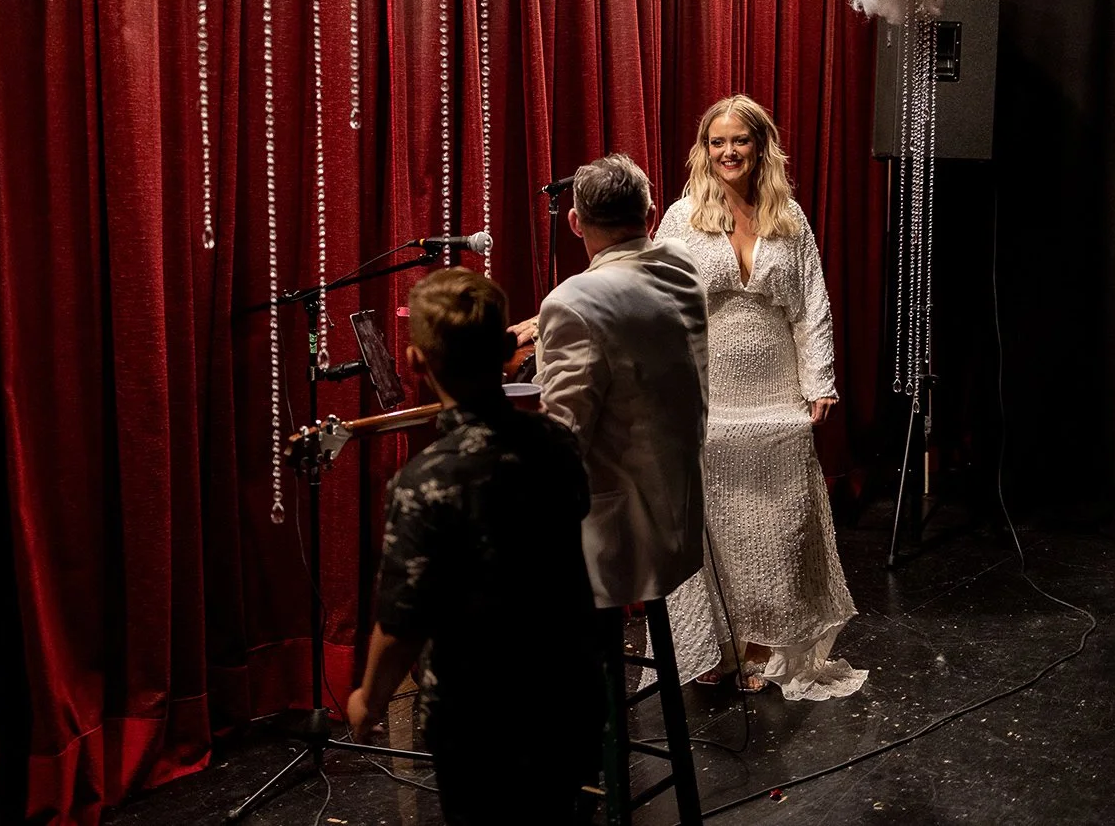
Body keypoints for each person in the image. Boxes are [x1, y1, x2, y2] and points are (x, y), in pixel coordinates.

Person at [346, 268, 600, 825]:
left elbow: (401, 622)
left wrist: (369, 698)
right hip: (568, 694)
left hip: (478, 719)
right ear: (512, 350)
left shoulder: (425, 482)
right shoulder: (559, 444)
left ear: (416, 361)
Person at [655, 94, 867, 700]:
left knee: (777, 528)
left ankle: (761, 642)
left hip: (776, 397)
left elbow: (813, 308)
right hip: (709, 397)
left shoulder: (789, 218)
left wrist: (817, 380)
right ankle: (714, 647)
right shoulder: (680, 218)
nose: (728, 152)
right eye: (717, 142)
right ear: (704, 149)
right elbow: (660, 304)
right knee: (715, 528)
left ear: (760, 147)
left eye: (739, 141)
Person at [533, 153, 710, 612]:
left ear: (574, 222)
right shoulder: (682, 264)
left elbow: (560, 443)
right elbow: (627, 304)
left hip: (615, 541)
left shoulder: (572, 302)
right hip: (678, 521)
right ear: (651, 214)